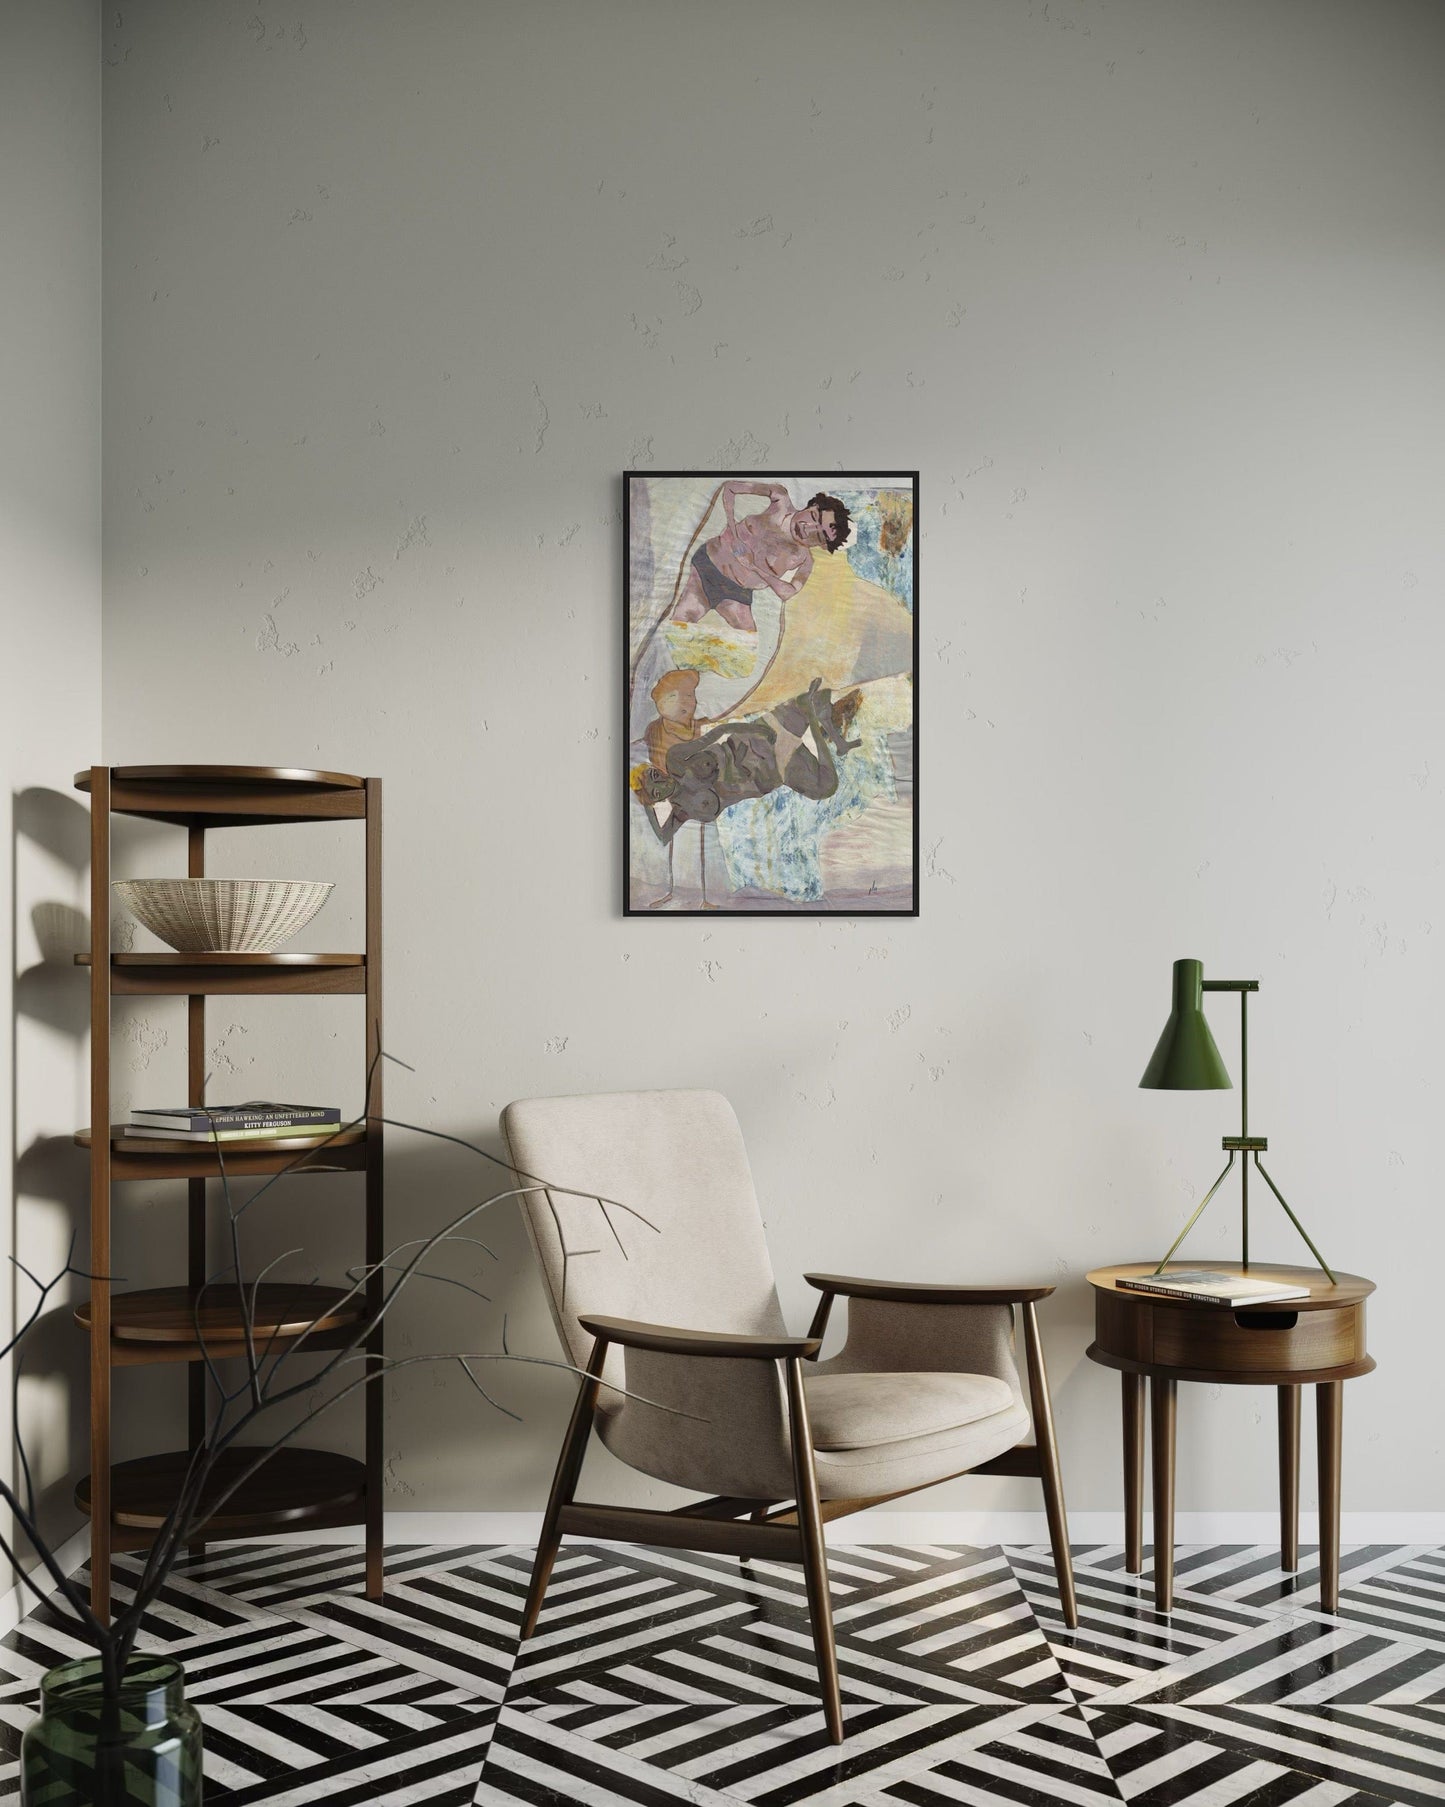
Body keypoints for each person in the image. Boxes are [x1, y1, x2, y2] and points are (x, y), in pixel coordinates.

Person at [671, 482, 852, 632]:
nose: (807, 529)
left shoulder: (804, 560)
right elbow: (730, 487)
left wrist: (754, 568)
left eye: (818, 536)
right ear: (811, 505)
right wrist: (733, 531)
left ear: (822, 545)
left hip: (738, 593)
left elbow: (787, 592)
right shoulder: (780, 498)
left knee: (746, 644)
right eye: (813, 517)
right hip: (708, 568)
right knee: (682, 621)